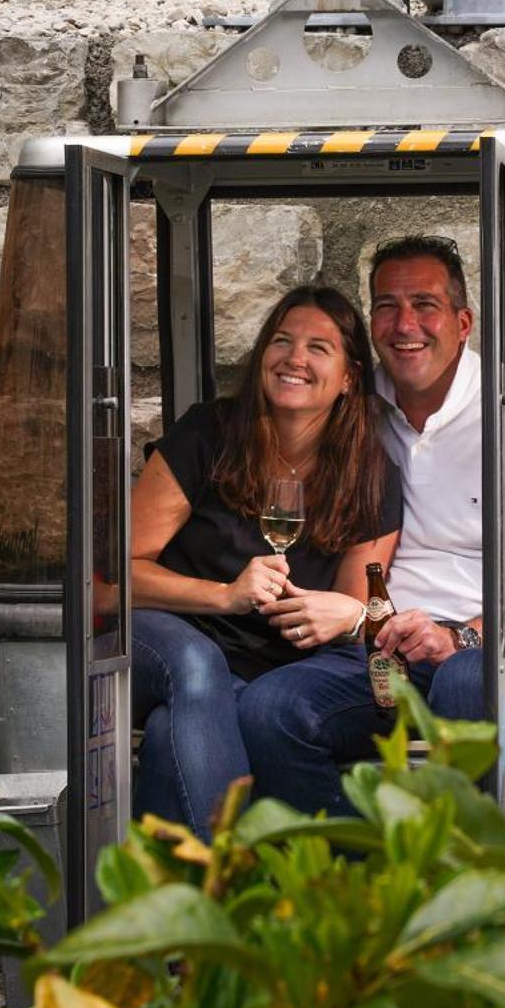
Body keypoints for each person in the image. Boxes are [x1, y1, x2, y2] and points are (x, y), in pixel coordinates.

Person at [238, 236, 505, 816]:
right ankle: (353, 882)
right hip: (376, 647)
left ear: (462, 322)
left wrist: (460, 636)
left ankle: (465, 883)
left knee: (460, 683)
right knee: (268, 707)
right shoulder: (352, 405)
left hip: (485, 647)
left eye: (424, 304)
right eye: (386, 305)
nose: (405, 324)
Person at [130, 285, 403, 838]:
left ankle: (177, 900)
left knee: (167, 735)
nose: (294, 358)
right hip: (168, 634)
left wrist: (340, 613)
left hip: (269, 671)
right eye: (282, 340)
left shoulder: (369, 475)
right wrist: (225, 595)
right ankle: (230, 880)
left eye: (318, 347)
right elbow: (113, 578)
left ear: (350, 377)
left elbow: (361, 608)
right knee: (197, 666)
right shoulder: (209, 434)